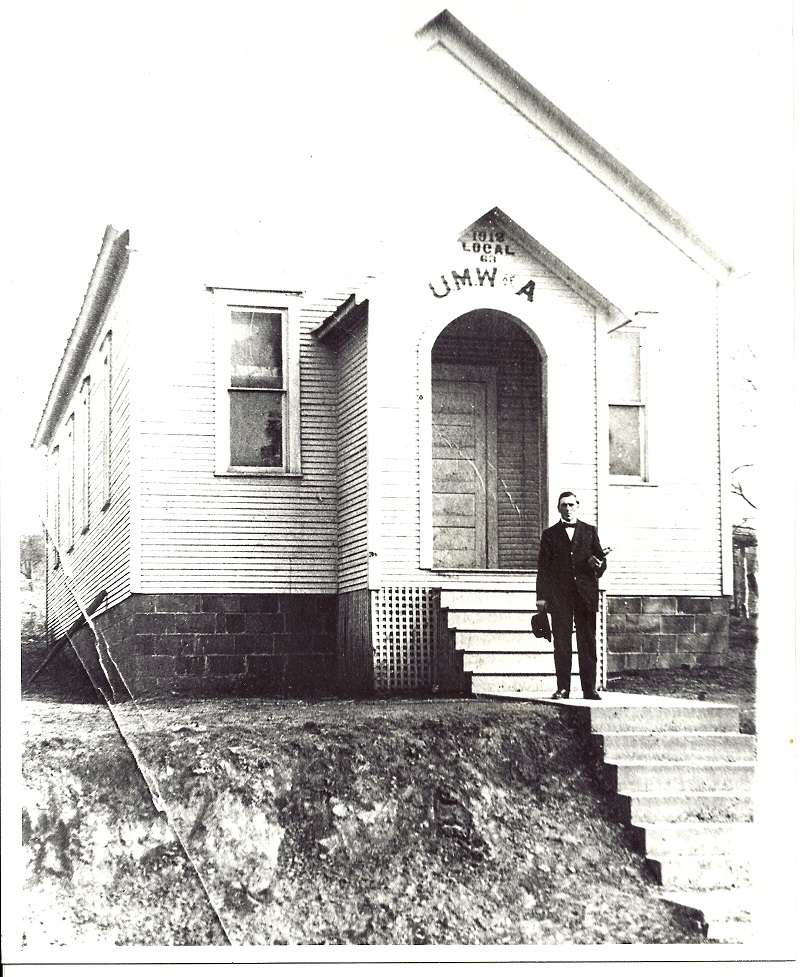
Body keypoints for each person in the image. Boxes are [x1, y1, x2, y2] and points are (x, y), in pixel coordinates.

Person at [536, 491, 607, 700]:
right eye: (564, 505)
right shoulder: (550, 535)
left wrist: (598, 565)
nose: (568, 509)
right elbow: (543, 570)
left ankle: (589, 689)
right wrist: (541, 601)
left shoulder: (589, 531)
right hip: (560, 598)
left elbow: (601, 565)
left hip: (585, 596)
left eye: (571, 505)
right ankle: (563, 688)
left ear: (578, 506)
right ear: (558, 508)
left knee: (587, 642)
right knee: (562, 642)